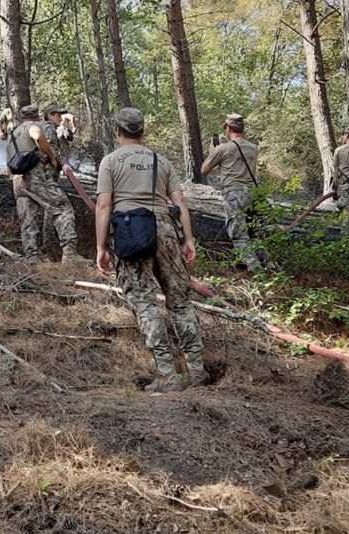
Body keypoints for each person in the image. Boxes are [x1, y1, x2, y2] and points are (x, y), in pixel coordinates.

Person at [95, 107, 205, 393]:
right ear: (142, 132)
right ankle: (196, 370)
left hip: (132, 233)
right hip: (167, 231)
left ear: (117, 131)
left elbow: (104, 206)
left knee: (144, 302)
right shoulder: (162, 161)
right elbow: (180, 204)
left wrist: (101, 246)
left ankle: (167, 373)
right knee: (180, 301)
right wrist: (189, 240)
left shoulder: (110, 161)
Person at [6, 104, 88, 264]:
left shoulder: (13, 132)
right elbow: (37, 136)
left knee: (27, 217)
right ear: (38, 116)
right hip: (35, 176)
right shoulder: (36, 126)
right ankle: (70, 254)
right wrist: (51, 157)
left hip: (17, 180)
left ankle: (32, 256)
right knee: (63, 208)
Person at [201, 113, 262, 271]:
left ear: (227, 128)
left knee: (238, 233)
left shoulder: (223, 148)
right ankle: (266, 264)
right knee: (253, 231)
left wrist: (212, 153)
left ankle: (257, 270)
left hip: (233, 193)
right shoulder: (253, 148)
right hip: (253, 193)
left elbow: (204, 170)